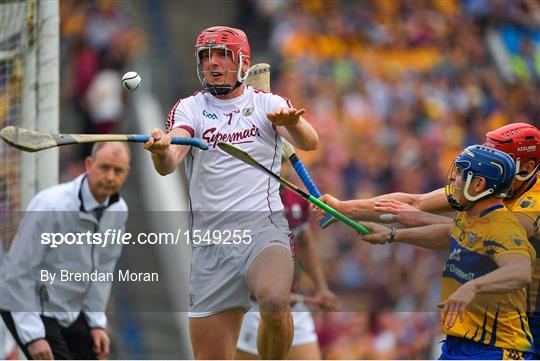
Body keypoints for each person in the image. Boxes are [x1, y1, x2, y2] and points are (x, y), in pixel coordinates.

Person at [143, 26, 318, 360]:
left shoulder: (268, 103)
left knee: (275, 300)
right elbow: (169, 162)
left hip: (263, 230)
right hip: (212, 246)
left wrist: (292, 123)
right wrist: (160, 149)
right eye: (206, 56)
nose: (213, 63)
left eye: (223, 55)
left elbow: (310, 142)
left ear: (242, 61)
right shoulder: (189, 109)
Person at [315, 122, 540, 358]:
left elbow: (479, 237)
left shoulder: (523, 209)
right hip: (483, 323)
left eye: (497, 159)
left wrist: (414, 220)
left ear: (527, 167)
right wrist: (344, 208)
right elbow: (415, 203)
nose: (490, 162)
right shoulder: (482, 190)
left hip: (524, 321)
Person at [0, 142, 131, 360]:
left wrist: (96, 323)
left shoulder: (119, 210)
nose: (110, 177)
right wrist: (33, 336)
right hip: (27, 302)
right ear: (89, 164)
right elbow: (17, 271)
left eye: (118, 171)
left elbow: (103, 271)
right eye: (104, 167)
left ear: (127, 173)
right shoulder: (51, 205)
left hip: (67, 309)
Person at [236, 186, 339, 360]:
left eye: (283, 162)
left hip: (293, 308)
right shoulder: (244, 201)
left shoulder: (297, 200)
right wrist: (268, 295)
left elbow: (305, 243)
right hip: (250, 309)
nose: (279, 167)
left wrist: (322, 288)